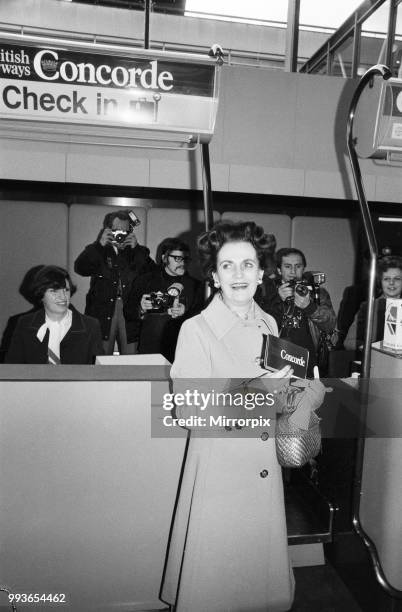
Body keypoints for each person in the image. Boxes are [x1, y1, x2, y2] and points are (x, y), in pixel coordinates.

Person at [160, 221, 330, 612]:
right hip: (221, 471)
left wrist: (303, 397)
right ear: (214, 275)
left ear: (262, 272)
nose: (239, 275)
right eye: (228, 266)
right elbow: (189, 411)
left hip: (264, 468)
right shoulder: (195, 330)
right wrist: (262, 392)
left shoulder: (269, 323)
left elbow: (279, 398)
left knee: (259, 587)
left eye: (248, 265)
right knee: (218, 584)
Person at [74, 210, 155, 355]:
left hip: (130, 310)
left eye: (125, 231)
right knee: (101, 356)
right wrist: (99, 245)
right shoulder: (98, 250)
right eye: (117, 230)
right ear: (108, 230)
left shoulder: (138, 251)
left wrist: (136, 249)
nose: (121, 235)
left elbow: (152, 274)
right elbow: (81, 268)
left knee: (131, 360)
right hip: (102, 310)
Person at [124, 238, 204, 363]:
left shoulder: (196, 286)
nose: (182, 262)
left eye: (185, 259)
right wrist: (141, 308)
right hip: (151, 348)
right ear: (164, 258)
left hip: (183, 350)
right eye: (177, 258)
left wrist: (186, 313)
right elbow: (128, 312)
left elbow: (202, 320)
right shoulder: (145, 281)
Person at [5, 266, 103, 364]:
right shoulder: (24, 324)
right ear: (41, 294)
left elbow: (99, 373)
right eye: (54, 291)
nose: (63, 296)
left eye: (66, 290)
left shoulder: (90, 326)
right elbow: (13, 369)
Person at [265, 248, 336, 377]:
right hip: (277, 360)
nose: (293, 271)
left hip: (309, 360)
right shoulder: (268, 292)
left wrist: (310, 307)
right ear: (279, 270)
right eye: (287, 266)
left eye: (298, 266)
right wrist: (278, 300)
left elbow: (330, 324)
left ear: (303, 268)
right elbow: (261, 327)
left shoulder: (317, 293)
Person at [356, 255, 402, 346]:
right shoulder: (368, 307)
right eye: (386, 279)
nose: (391, 283)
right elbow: (350, 341)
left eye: (397, 279)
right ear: (380, 281)